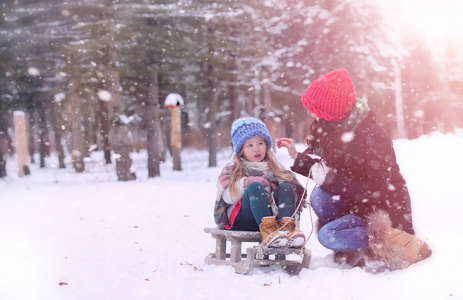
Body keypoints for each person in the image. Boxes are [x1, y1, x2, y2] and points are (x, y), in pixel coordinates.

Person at [277, 69, 431, 270]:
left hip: (385, 210)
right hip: (360, 205)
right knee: (319, 197)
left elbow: (376, 191)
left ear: (332, 110)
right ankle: (353, 247)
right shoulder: (339, 129)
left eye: (316, 109)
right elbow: (336, 176)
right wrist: (298, 158)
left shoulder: (371, 137)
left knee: (328, 235)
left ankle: (400, 241)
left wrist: (330, 179)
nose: (312, 113)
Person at [214, 117, 307, 248]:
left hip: (273, 219)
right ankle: (268, 231)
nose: (256, 149)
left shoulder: (275, 167)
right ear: (241, 149)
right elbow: (228, 197)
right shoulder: (234, 168)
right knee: (255, 187)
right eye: (250, 145)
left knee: (286, 186)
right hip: (244, 219)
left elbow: (291, 190)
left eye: (260, 143)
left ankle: (287, 228)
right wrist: (245, 182)